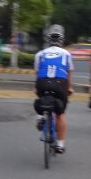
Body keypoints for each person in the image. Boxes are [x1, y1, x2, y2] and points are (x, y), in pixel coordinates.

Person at [33, 24, 73, 153]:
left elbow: (37, 73)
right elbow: (68, 74)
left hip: (43, 82)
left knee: (41, 95)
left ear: (48, 41)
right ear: (61, 41)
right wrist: (69, 88)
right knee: (60, 114)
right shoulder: (66, 54)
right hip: (60, 82)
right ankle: (60, 144)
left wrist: (36, 88)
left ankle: (40, 117)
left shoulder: (40, 54)